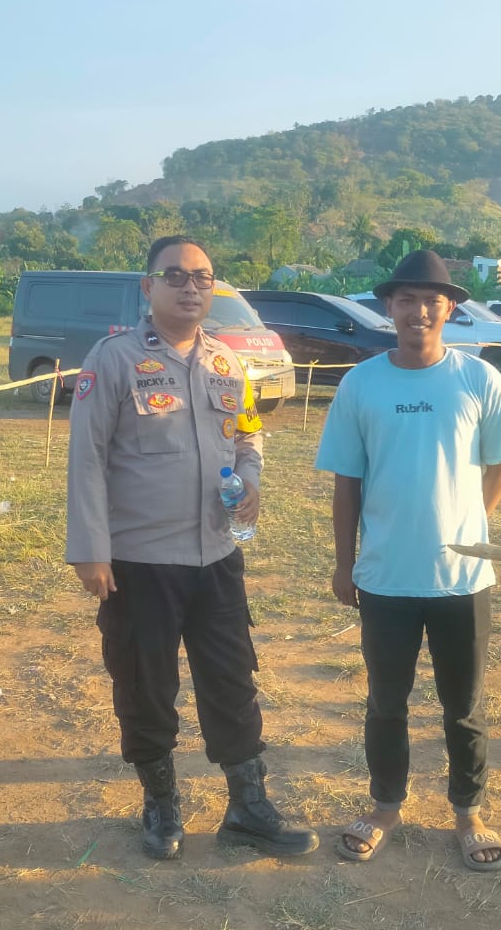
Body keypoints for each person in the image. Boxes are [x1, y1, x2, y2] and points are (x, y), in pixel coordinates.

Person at [66, 235, 317, 860]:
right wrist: (91, 549)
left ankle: (247, 807)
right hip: (140, 561)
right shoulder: (115, 359)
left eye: (202, 277)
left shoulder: (227, 363)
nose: (190, 287)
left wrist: (252, 481)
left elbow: (248, 435)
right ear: (148, 287)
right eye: (175, 276)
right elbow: (87, 458)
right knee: (145, 685)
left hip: (216, 557)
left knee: (232, 682)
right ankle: (161, 802)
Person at [316, 250, 501, 872]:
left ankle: (469, 813)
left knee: (464, 706)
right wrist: (344, 563)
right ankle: (385, 807)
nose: (419, 311)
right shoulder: (362, 384)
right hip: (385, 577)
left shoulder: (479, 380)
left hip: (463, 578)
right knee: (386, 703)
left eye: (432, 300)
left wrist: (467, 524)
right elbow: (347, 483)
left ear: (450, 308)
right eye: (406, 299)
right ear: (389, 307)